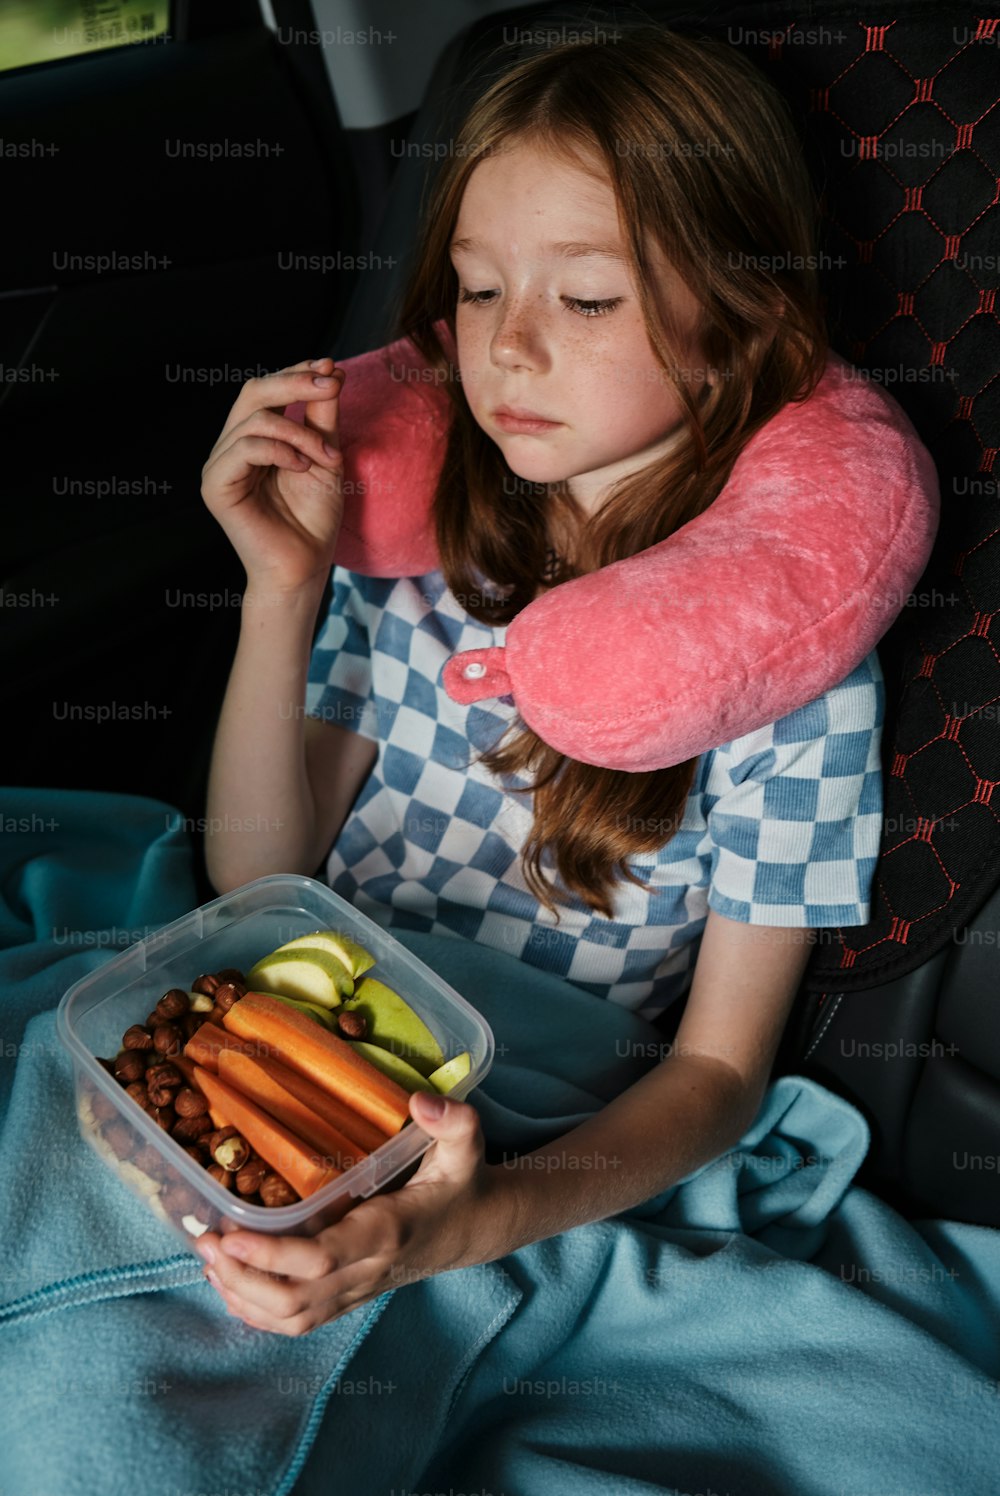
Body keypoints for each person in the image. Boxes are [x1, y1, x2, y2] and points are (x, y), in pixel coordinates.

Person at [195, 26, 883, 1337]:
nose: (509, 347)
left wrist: (476, 1217)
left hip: (529, 1121)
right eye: (472, 288)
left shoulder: (787, 668)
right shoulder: (411, 548)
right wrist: (280, 591)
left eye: (585, 299)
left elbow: (722, 1073)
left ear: (739, 322)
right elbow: (251, 881)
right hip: (300, 1026)